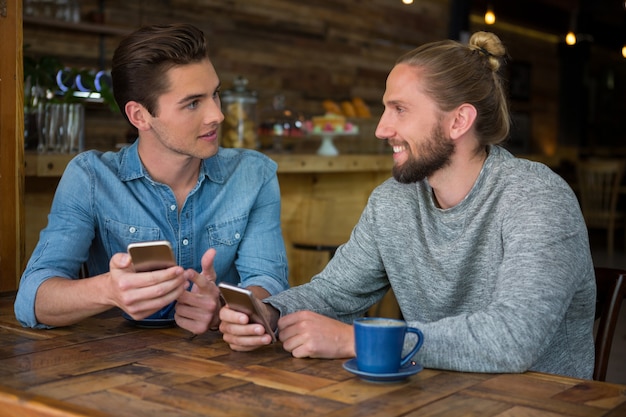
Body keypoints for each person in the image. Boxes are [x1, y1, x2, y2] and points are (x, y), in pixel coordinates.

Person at [219, 31, 596, 379]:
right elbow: (334, 293)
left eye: (400, 109)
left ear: (459, 120)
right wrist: (266, 312)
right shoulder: (393, 201)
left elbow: (513, 339)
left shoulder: (536, 197)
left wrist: (356, 341)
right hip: (437, 398)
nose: (381, 129)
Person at [15, 23, 289, 334]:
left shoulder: (254, 174)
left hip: (222, 366)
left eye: (215, 94)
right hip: (111, 369)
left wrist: (223, 311)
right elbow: (31, 298)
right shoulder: (90, 178)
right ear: (139, 116)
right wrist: (107, 289)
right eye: (193, 103)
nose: (217, 115)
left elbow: (270, 284)